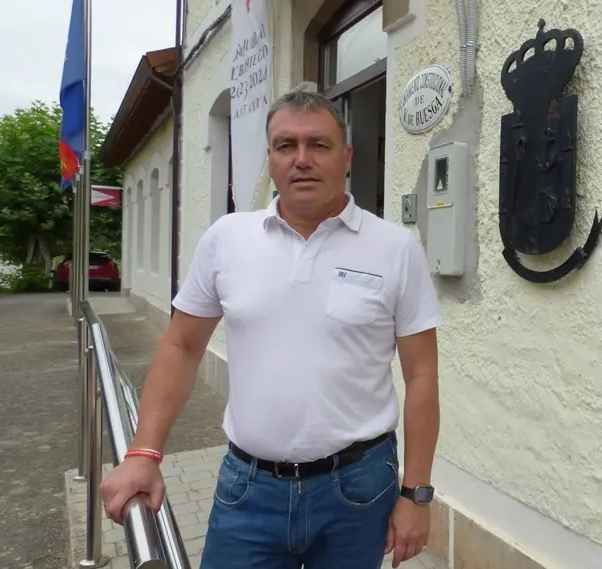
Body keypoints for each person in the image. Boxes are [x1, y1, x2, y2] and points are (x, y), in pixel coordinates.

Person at [99, 90, 442, 569]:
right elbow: (181, 345)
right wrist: (144, 453)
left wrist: (416, 494)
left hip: (359, 490)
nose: (302, 159)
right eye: (286, 146)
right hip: (250, 488)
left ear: (347, 157)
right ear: (271, 158)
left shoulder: (395, 249)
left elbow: (422, 374)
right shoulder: (227, 240)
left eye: (318, 145)